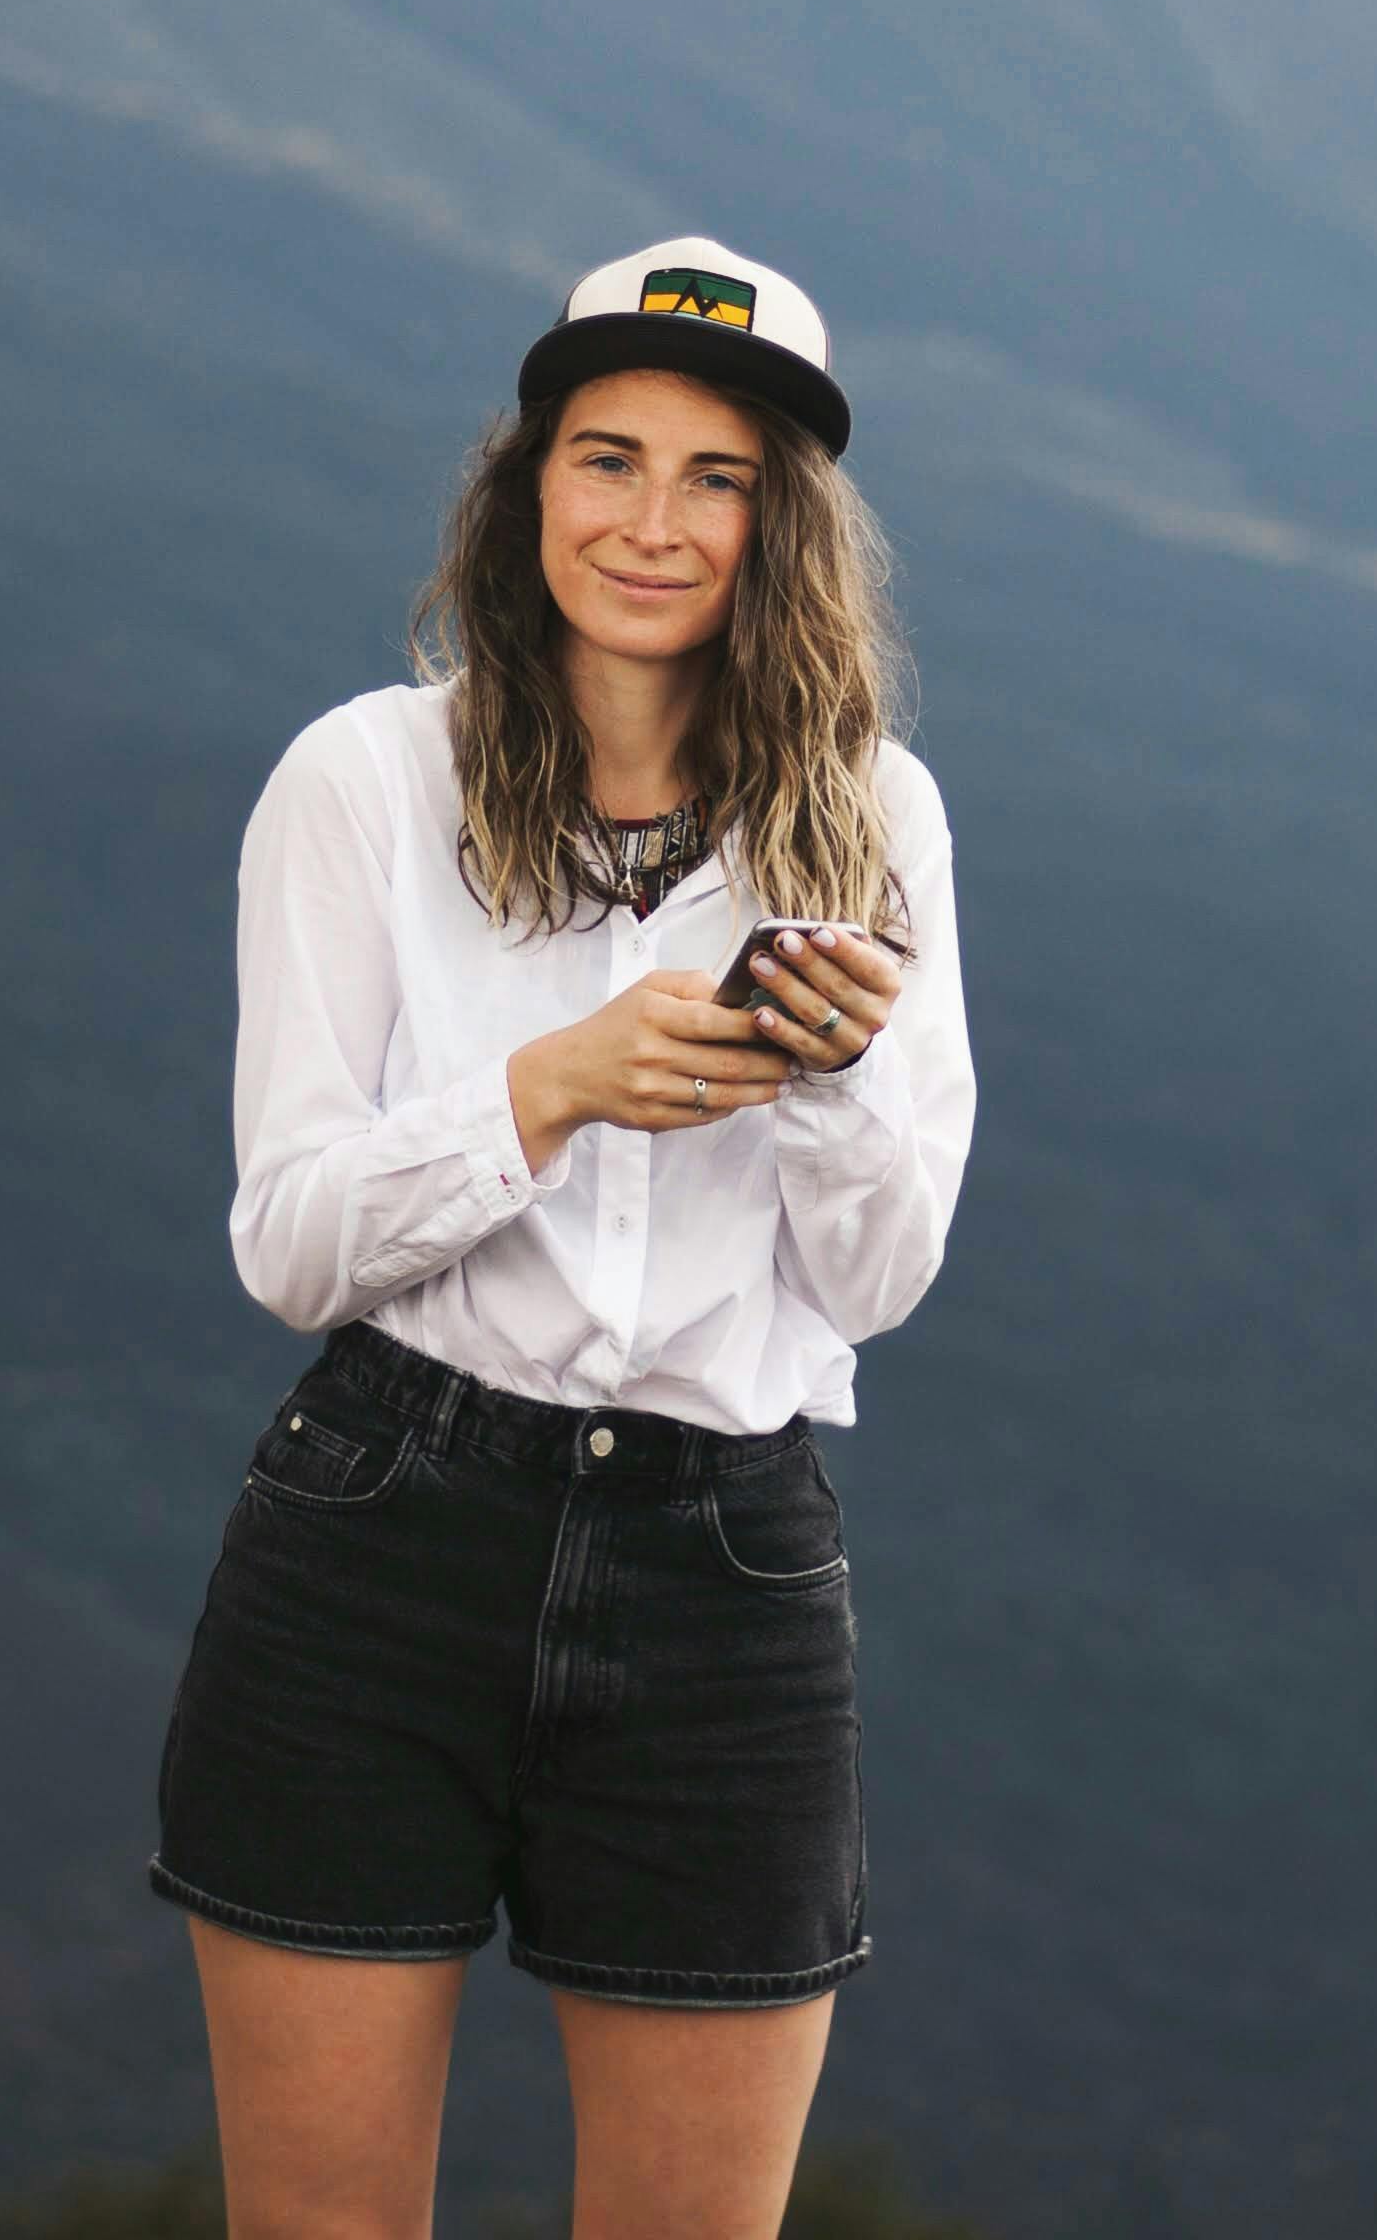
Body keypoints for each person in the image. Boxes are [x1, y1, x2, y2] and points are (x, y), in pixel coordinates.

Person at [151, 236, 979, 2240]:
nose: (652, 521)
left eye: (719, 478)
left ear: (783, 528)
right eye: (607, 457)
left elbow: (875, 1282)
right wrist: (554, 1086)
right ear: (528, 483)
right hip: (379, 1540)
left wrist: (844, 1073)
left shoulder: (875, 817)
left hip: (723, 1572)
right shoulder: (365, 778)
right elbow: (291, 1242)